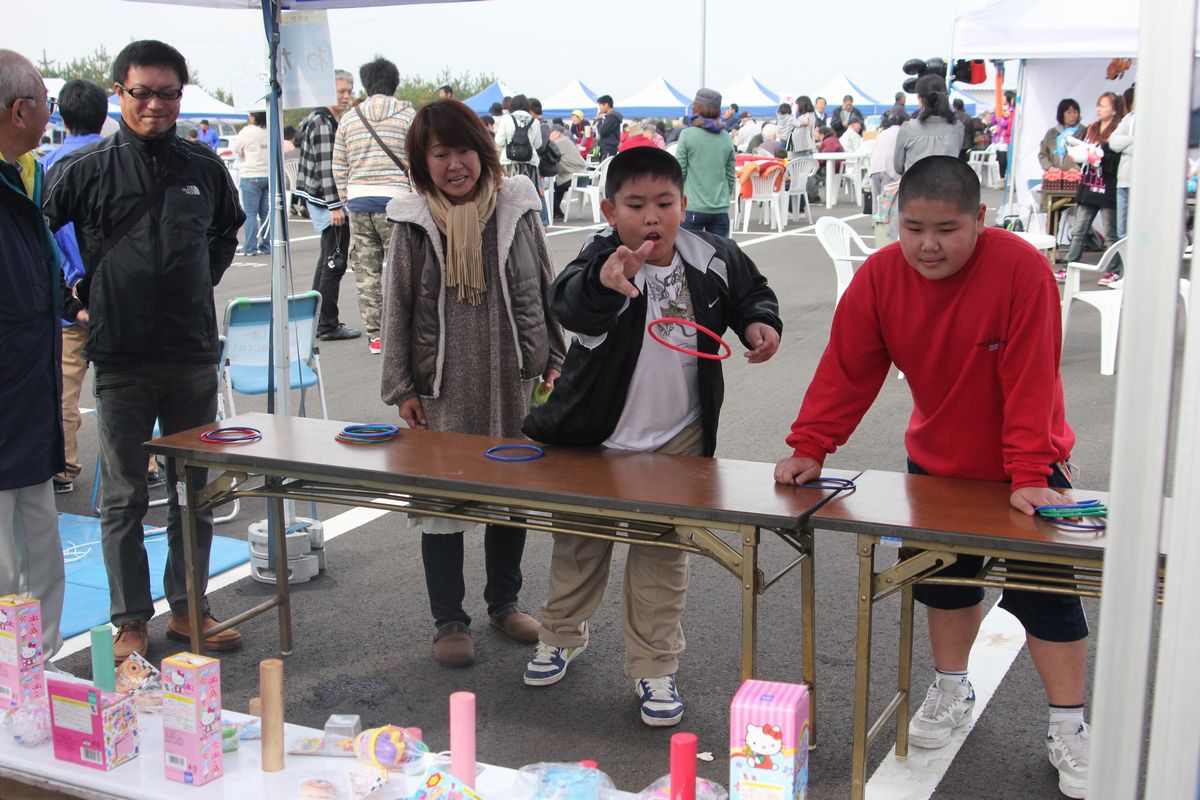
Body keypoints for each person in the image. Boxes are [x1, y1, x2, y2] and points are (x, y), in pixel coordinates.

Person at [775, 156, 1090, 800]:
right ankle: (951, 690)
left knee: (1048, 601)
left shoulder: (1020, 267)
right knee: (945, 587)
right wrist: (812, 445)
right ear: (896, 219)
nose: (927, 244)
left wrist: (1030, 472)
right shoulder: (882, 277)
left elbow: (1032, 376)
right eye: (913, 226)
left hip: (1026, 474)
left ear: (981, 218)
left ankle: (1069, 726)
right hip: (936, 469)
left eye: (946, 228)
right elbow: (848, 366)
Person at [521, 147, 782, 727]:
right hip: (598, 436)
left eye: (664, 203)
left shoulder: (714, 255)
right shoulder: (599, 259)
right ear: (612, 211)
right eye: (636, 206)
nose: (652, 217)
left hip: (679, 438)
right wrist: (607, 282)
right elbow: (568, 302)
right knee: (580, 543)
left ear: (684, 206)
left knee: (663, 553)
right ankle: (561, 635)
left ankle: (655, 667)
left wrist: (760, 322)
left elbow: (750, 293)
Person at [43, 39, 246, 663]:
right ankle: (130, 619)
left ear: (182, 95)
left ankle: (189, 608)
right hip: (121, 357)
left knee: (196, 491)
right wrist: (73, 302)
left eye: (167, 93)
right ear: (118, 94)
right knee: (125, 497)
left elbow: (227, 232)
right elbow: (32, 240)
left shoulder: (204, 166)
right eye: (141, 93)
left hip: (190, 356)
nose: (155, 104)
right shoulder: (82, 169)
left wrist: (196, 284)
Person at [379, 99, 567, 666]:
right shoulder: (413, 221)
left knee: (509, 496)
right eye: (441, 154)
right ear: (423, 161)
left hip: (513, 377)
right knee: (441, 503)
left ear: (483, 152)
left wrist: (555, 356)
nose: (455, 164)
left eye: (464, 150)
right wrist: (402, 387)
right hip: (443, 384)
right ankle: (449, 620)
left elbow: (544, 282)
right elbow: (398, 307)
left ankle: (503, 602)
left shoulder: (516, 207)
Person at [0, 49, 72, 669]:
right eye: (44, 102)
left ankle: (40, 668)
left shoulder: (23, 173)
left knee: (40, 541)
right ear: (20, 110)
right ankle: (11, 680)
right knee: (3, 558)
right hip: (8, 389)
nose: (50, 112)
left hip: (30, 389)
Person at [40, 80, 108, 496]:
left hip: (70, 296)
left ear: (61, 118)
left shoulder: (49, 166)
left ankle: (64, 466)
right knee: (128, 385)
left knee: (66, 389)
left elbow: (47, 235)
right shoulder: (119, 158)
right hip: (116, 295)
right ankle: (148, 461)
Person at [333, 57, 416, 355]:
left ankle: (376, 336)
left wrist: (347, 196)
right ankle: (404, 332)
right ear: (395, 83)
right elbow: (416, 162)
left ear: (367, 84)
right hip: (397, 202)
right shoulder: (408, 117)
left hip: (358, 201)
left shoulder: (349, 119)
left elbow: (338, 165)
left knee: (367, 273)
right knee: (403, 270)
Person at [297, 69, 362, 343]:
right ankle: (327, 323)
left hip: (321, 199)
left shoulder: (322, 118)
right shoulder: (323, 122)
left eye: (349, 91)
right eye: (341, 91)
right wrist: (336, 205)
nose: (346, 96)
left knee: (327, 260)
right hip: (328, 201)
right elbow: (327, 168)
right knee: (334, 262)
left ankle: (316, 320)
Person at [1063, 92, 1123, 279]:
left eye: (1103, 106)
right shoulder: (1092, 128)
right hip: (1089, 184)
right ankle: (1070, 266)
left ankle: (1113, 269)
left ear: (1114, 110)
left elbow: (1116, 158)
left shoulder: (1118, 130)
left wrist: (1101, 153)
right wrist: (1080, 155)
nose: (1099, 109)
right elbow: (1081, 154)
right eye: (1098, 105)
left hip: (1108, 187)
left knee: (1110, 232)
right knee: (1079, 229)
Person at [675, 88, 736, 238]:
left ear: (697, 107)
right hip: (720, 209)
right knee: (720, 258)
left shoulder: (687, 135)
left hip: (692, 207)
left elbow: (678, 172)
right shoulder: (726, 137)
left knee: (688, 257)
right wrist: (724, 197)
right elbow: (730, 174)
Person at [894, 75, 965, 175]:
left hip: (915, 188)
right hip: (948, 187)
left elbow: (898, 167)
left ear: (920, 100)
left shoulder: (908, 128)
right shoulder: (958, 128)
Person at [1105, 86, 1135, 288]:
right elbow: (1113, 143)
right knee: (1122, 230)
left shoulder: (1157, 118)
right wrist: (1134, 140)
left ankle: (1134, 273)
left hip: (1142, 182)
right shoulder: (1129, 118)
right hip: (1123, 180)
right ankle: (1127, 273)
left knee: (1137, 230)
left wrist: (1127, 144)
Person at [233, 111, 269, 256]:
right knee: (266, 214)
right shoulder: (268, 130)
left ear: (253, 117)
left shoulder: (247, 131)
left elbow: (235, 148)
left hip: (250, 174)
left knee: (250, 213)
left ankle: (250, 247)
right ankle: (267, 245)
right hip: (267, 175)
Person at [495, 94, 542, 185]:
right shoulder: (535, 122)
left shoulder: (507, 119)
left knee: (508, 192)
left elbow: (499, 141)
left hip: (509, 161)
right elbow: (538, 145)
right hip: (530, 162)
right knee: (528, 194)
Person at [549, 124, 588, 220]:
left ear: (556, 133)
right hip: (583, 176)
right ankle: (556, 212)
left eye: (550, 133)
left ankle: (555, 212)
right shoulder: (567, 140)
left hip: (574, 177)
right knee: (557, 187)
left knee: (550, 188)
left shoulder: (557, 143)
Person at [1038, 99, 1084, 173]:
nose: (1073, 115)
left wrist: (1077, 168)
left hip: (1074, 178)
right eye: (1069, 112)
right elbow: (1043, 154)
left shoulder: (1084, 132)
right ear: (1061, 114)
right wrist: (1050, 168)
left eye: (1075, 112)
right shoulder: (1051, 133)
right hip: (1053, 178)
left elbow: (1087, 155)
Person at [596, 94, 623, 160]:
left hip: (608, 148)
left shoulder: (612, 117)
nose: (600, 107)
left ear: (606, 104)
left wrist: (599, 121)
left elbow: (602, 132)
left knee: (605, 169)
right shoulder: (610, 117)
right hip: (609, 148)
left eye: (600, 105)